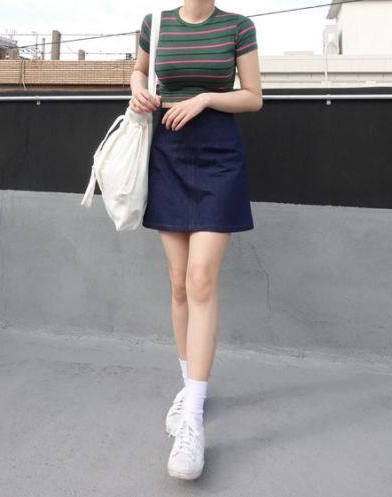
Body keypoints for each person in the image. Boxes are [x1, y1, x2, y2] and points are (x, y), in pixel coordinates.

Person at [129, 0, 262, 480]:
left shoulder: (238, 26)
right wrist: (138, 90)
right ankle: (189, 390)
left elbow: (253, 97)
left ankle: (192, 420)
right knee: (179, 284)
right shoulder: (156, 23)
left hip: (218, 155)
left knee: (202, 279)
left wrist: (205, 98)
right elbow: (139, 72)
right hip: (168, 153)